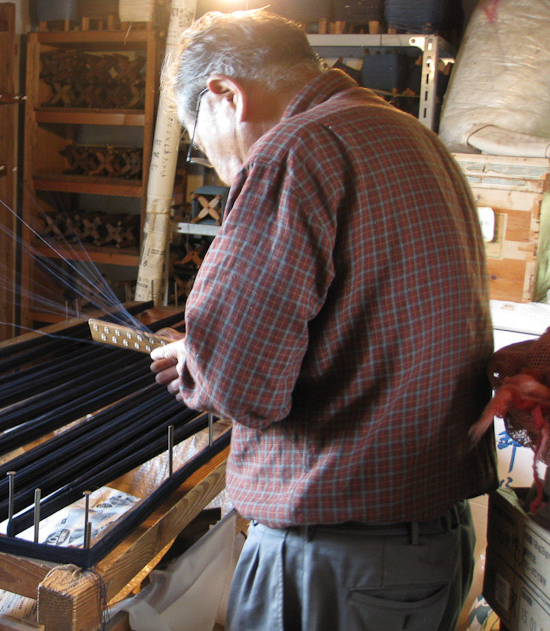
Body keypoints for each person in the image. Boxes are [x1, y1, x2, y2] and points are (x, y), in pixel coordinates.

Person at [149, 8, 497, 631]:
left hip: (338, 560)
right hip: (428, 546)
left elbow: (240, 388)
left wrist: (199, 362)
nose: (226, 171)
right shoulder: (411, 136)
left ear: (226, 94)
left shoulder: (296, 147)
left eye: (208, 146)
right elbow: (367, 327)